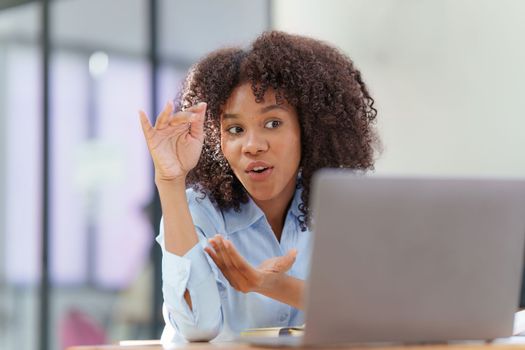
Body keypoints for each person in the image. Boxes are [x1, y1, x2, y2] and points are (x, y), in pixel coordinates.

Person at [139, 30, 379, 342]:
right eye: (235, 129)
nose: (252, 146)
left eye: (272, 123)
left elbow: (368, 313)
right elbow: (197, 326)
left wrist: (270, 285)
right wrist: (169, 182)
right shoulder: (199, 211)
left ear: (308, 129)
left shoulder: (337, 208)